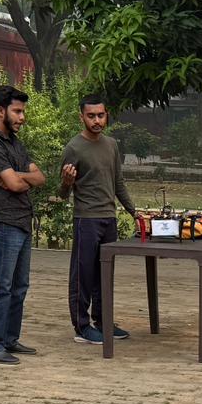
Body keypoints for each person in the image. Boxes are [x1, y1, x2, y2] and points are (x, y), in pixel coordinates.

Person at [59, 94, 138, 346]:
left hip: (108, 219)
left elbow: (118, 183)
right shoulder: (73, 148)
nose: (96, 120)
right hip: (86, 219)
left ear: (107, 116)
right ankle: (81, 326)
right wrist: (66, 183)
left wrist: (134, 212)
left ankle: (103, 321)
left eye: (100, 115)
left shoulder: (111, 145)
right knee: (83, 274)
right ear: (81, 117)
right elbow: (62, 193)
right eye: (91, 116)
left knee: (105, 273)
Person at [0, 84, 45, 365]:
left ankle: (9, 339)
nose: (22, 117)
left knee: (20, 286)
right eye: (17, 111)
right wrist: (19, 179)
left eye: (22, 111)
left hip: (23, 220)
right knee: (1, 285)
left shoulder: (16, 144)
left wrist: (16, 176)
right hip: (5, 220)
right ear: (1, 111)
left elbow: (39, 178)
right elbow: (17, 185)